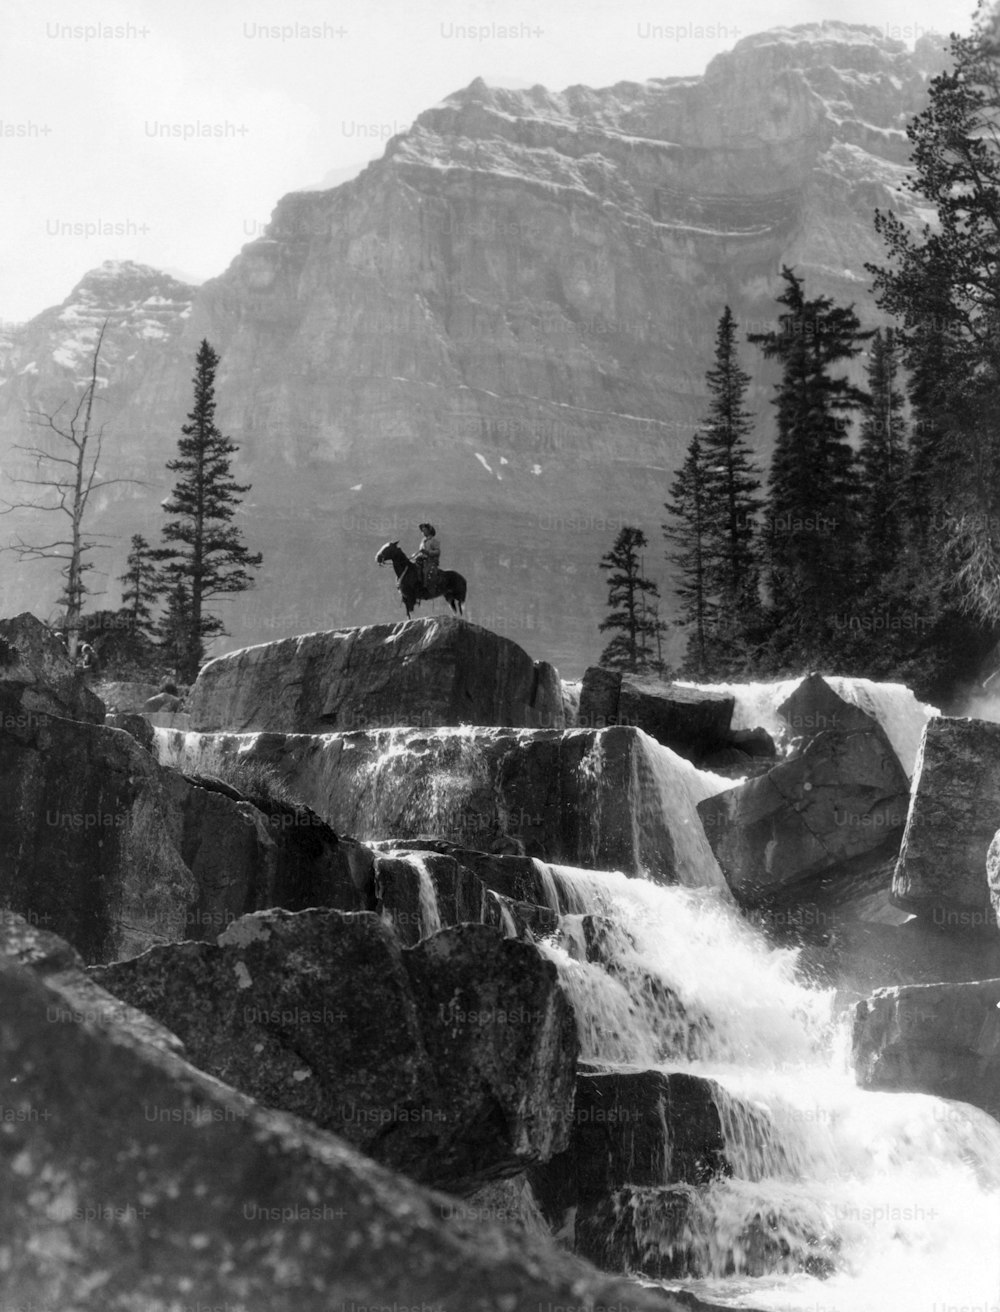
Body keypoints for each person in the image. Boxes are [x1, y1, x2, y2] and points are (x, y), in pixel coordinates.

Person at [412, 522, 441, 595]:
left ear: (429, 531)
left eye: (424, 530)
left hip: (430, 561)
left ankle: (426, 589)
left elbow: (437, 552)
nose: (422, 532)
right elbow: (421, 551)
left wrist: (428, 552)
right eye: (422, 530)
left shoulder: (434, 540)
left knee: (425, 571)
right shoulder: (422, 541)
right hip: (422, 560)